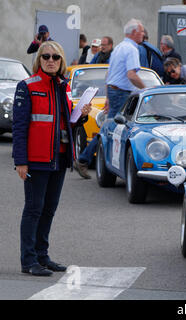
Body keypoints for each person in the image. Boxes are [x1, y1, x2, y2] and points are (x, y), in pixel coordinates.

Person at [13, 41, 91, 276]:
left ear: (61, 61)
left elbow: (66, 122)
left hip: (59, 158)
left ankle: (42, 256)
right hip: (36, 159)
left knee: (48, 209)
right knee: (34, 209)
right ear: (39, 59)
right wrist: (20, 160)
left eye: (55, 57)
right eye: (45, 56)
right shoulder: (27, 86)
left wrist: (81, 116)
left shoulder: (62, 86)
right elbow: (19, 126)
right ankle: (28, 260)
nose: (50, 60)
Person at [75, 19, 146, 179]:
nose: (143, 34)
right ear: (134, 32)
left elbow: (109, 75)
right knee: (114, 129)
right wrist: (146, 89)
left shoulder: (120, 48)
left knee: (109, 128)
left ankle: (89, 159)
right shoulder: (131, 50)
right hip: (122, 94)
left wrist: (108, 96)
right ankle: (87, 159)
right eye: (141, 31)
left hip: (115, 92)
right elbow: (131, 75)